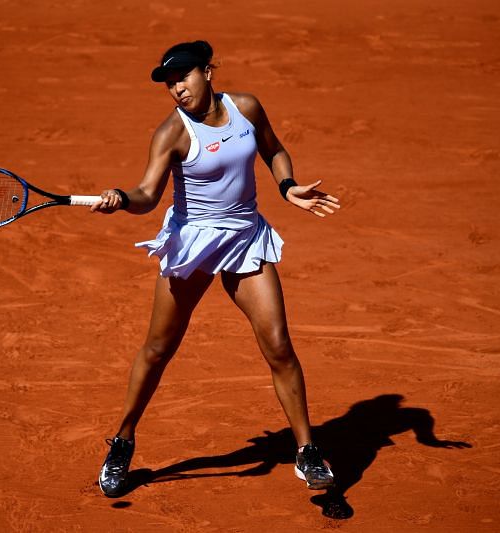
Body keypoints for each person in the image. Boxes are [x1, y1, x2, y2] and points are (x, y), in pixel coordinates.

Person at [90, 40, 341, 497]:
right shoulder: (172, 133)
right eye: (169, 83)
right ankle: (123, 440)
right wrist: (122, 200)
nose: (177, 89)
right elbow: (148, 194)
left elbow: (274, 149)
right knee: (158, 349)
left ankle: (306, 450)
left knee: (279, 345)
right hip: (194, 243)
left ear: (208, 71)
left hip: (245, 235)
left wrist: (286, 187)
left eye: (183, 77)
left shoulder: (245, 107)